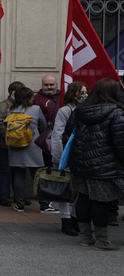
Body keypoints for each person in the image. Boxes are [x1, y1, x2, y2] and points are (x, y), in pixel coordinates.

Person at [63, 78, 124, 250]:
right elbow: (120, 143)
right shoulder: (116, 113)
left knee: (83, 198)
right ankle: (102, 241)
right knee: (101, 201)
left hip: (81, 163)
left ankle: (85, 238)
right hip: (105, 165)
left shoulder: (80, 110)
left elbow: (68, 135)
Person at [50, 81, 88, 236]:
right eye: (81, 92)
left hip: (81, 156)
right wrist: (58, 157)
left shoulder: (86, 109)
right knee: (64, 188)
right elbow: (57, 134)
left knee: (79, 189)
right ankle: (65, 219)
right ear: (74, 94)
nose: (84, 95)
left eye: (86, 92)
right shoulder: (65, 110)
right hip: (66, 155)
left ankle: (74, 217)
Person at [7, 86, 49, 214]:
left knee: (18, 176)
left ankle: (19, 205)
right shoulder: (35, 109)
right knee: (37, 176)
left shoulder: (11, 110)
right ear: (28, 98)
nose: (33, 99)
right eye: (32, 97)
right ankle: (44, 205)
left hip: (15, 146)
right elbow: (43, 125)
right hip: (32, 146)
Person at [0, 81, 25, 207]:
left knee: (18, 171)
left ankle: (18, 197)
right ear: (12, 92)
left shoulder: (23, 105)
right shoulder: (2, 106)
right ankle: (1, 196)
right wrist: (9, 136)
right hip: (3, 143)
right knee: (3, 169)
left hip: (18, 144)